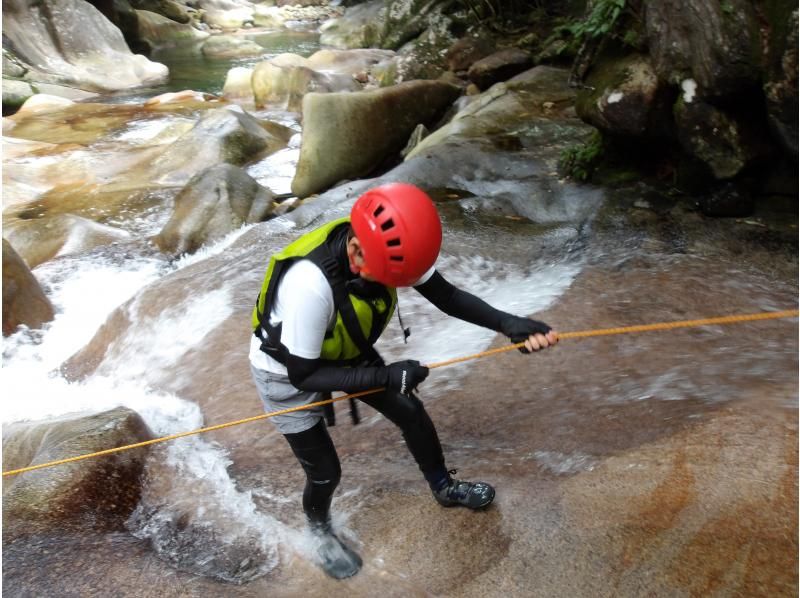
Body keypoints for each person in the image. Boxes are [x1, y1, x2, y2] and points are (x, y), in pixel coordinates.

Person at [249, 182, 558, 579]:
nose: (398, 284)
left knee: (410, 409)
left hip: (341, 347)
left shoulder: (393, 246)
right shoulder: (309, 287)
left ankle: (443, 486)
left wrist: (508, 323)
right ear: (357, 254)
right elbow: (303, 372)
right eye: (391, 278)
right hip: (286, 370)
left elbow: (446, 295)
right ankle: (320, 532)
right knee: (325, 471)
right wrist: (387, 375)